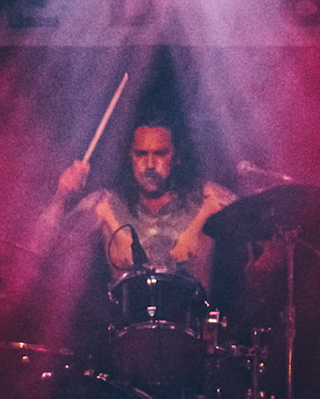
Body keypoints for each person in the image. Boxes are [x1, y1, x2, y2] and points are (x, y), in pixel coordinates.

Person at [40, 122, 235, 294]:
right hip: (129, 332)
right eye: (141, 154)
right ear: (130, 156)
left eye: (160, 153)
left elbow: (258, 222)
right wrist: (62, 196)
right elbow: (41, 249)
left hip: (194, 331)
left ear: (176, 157)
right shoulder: (104, 205)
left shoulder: (210, 200)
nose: (150, 164)